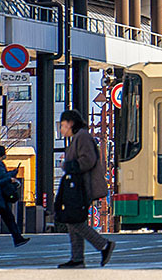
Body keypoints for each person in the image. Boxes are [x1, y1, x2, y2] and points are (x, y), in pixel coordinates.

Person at [57, 109, 115, 268]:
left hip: (82, 186)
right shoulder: (79, 137)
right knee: (74, 221)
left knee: (75, 221)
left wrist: (70, 166)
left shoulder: (82, 137)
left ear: (70, 124)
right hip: (79, 186)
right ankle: (77, 258)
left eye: (62, 125)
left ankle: (103, 245)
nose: (61, 130)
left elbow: (88, 160)